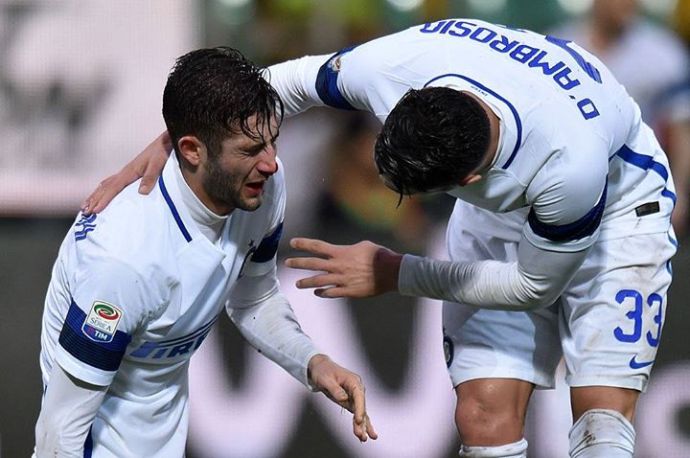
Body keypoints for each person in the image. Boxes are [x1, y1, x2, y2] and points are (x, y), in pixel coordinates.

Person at [82, 18, 676, 458]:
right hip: (506, 202)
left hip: (619, 207)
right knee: (482, 416)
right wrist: (174, 140)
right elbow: (265, 89)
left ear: (467, 183)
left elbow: (532, 286)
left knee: (600, 423)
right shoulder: (392, 66)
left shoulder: (569, 167)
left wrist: (398, 272)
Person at [33, 47, 376, 458]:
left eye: (273, 142)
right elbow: (60, 428)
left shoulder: (262, 189)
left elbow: (254, 300)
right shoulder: (124, 260)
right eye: (250, 150)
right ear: (192, 150)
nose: (270, 163)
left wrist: (312, 362)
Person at [552, 0, 690, 236]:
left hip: (640, 187)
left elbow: (681, 130)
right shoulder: (557, 46)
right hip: (570, 186)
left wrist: (680, 192)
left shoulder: (664, 51)